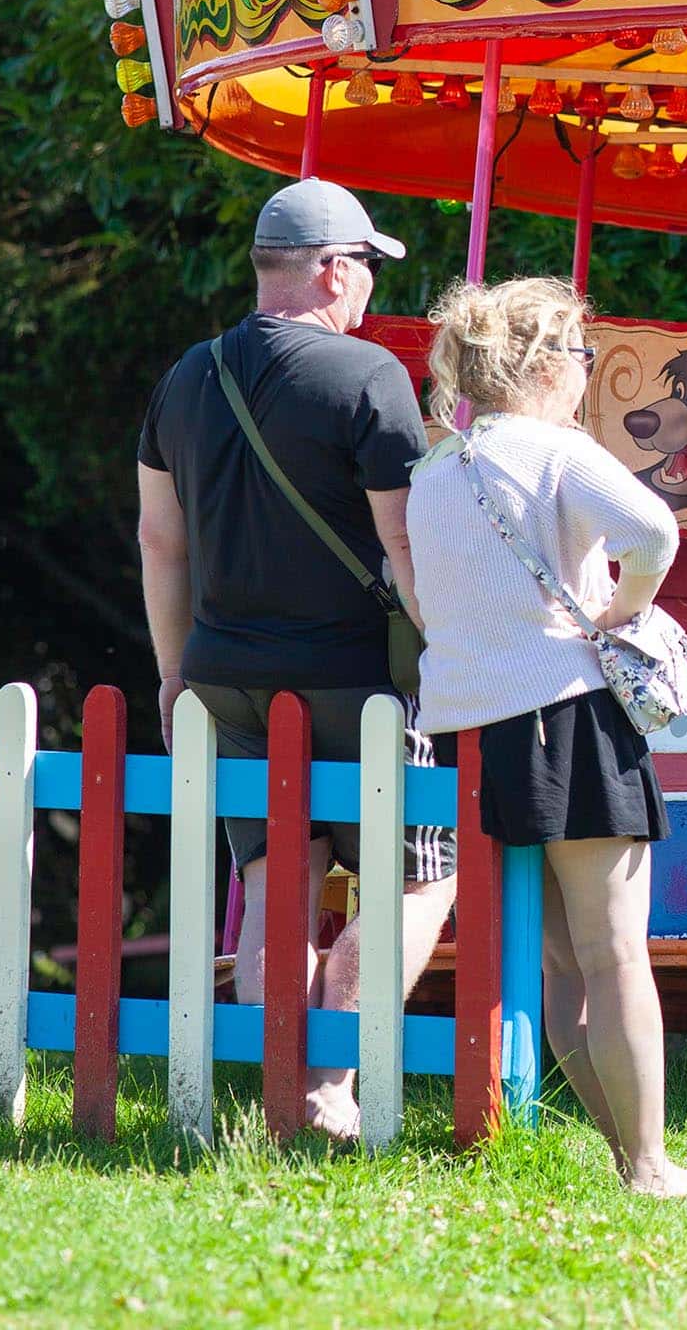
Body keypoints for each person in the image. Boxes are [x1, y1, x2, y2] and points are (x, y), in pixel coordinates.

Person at [137, 178, 459, 1139]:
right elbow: (404, 547)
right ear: (329, 269)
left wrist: (172, 671)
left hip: (226, 675)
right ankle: (326, 1090)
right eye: (363, 267)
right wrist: (449, 648)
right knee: (415, 881)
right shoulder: (369, 379)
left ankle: (285, 1096)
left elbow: (160, 541)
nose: (364, 287)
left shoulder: (186, 377)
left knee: (278, 879)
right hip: (354, 682)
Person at [406, 277, 687, 1198]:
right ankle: (648, 1163)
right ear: (545, 366)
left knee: (558, 964)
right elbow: (654, 529)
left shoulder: (436, 470)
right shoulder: (555, 451)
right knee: (616, 952)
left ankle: (629, 1157)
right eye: (581, 357)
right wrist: (625, 611)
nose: (587, 373)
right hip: (572, 715)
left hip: (474, 730)